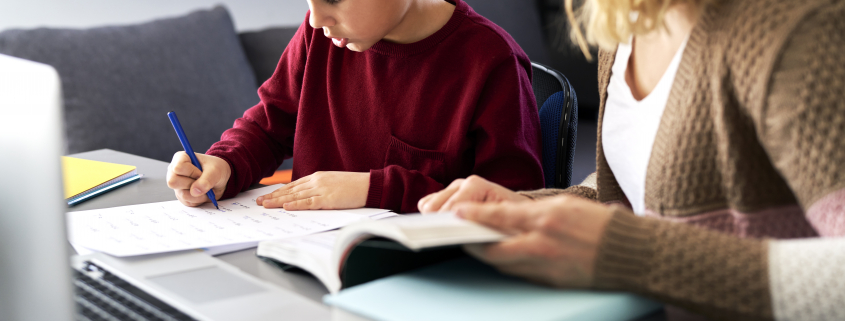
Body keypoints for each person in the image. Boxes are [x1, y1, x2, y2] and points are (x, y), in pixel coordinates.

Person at [419, 0, 845, 319]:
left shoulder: (796, 28)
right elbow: (632, 194)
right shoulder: (625, 28)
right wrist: (533, 211)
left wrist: (630, 254)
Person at [165, 0, 545, 213]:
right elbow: (268, 126)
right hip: (306, 258)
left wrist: (374, 190)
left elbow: (513, 204)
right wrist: (224, 164)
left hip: (420, 279)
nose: (316, 18)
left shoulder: (491, 63)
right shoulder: (319, 35)